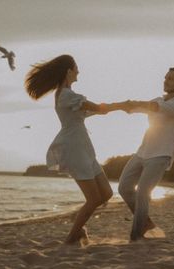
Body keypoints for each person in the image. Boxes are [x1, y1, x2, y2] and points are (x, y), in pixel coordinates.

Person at [25, 55, 118, 244]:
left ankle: (78, 217)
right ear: (68, 71)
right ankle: (72, 236)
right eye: (76, 68)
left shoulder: (69, 95)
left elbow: (91, 111)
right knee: (93, 199)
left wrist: (110, 108)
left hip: (85, 148)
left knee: (106, 193)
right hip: (74, 149)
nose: (78, 72)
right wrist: (123, 105)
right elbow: (96, 108)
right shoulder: (66, 95)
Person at [104, 68, 174, 241]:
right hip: (142, 152)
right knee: (124, 187)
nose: (166, 81)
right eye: (165, 77)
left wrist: (135, 103)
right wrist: (110, 107)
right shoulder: (156, 100)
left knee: (143, 192)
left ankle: (136, 236)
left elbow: (158, 108)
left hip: (161, 154)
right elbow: (133, 108)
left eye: (171, 78)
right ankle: (146, 223)